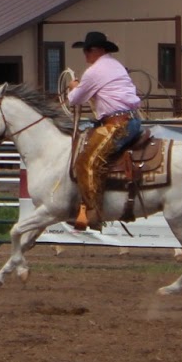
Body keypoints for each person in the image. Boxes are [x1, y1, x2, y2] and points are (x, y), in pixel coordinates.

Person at [65, 30, 143, 230]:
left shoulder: (94, 71)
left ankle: (92, 213)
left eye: (87, 50)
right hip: (129, 119)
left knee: (87, 161)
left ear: (97, 50)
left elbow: (75, 99)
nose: (85, 55)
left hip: (118, 124)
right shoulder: (115, 66)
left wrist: (74, 86)